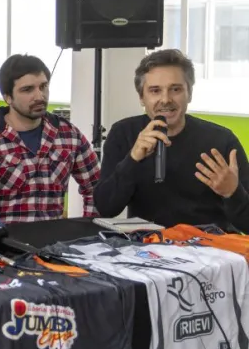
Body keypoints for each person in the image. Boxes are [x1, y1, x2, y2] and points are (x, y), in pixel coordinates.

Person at [94, 49, 249, 231]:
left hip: (210, 250)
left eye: (175, 89)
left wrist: (232, 193)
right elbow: (106, 208)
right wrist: (133, 159)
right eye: (155, 91)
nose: (166, 99)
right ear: (142, 98)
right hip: (149, 248)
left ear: (189, 94)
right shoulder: (124, 133)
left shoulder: (221, 140)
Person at [0, 54, 100, 222]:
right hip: (3, 244)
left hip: (54, 244)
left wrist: (88, 230)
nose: (39, 96)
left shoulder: (69, 135)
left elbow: (96, 187)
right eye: (27, 89)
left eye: (43, 86)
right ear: (7, 97)